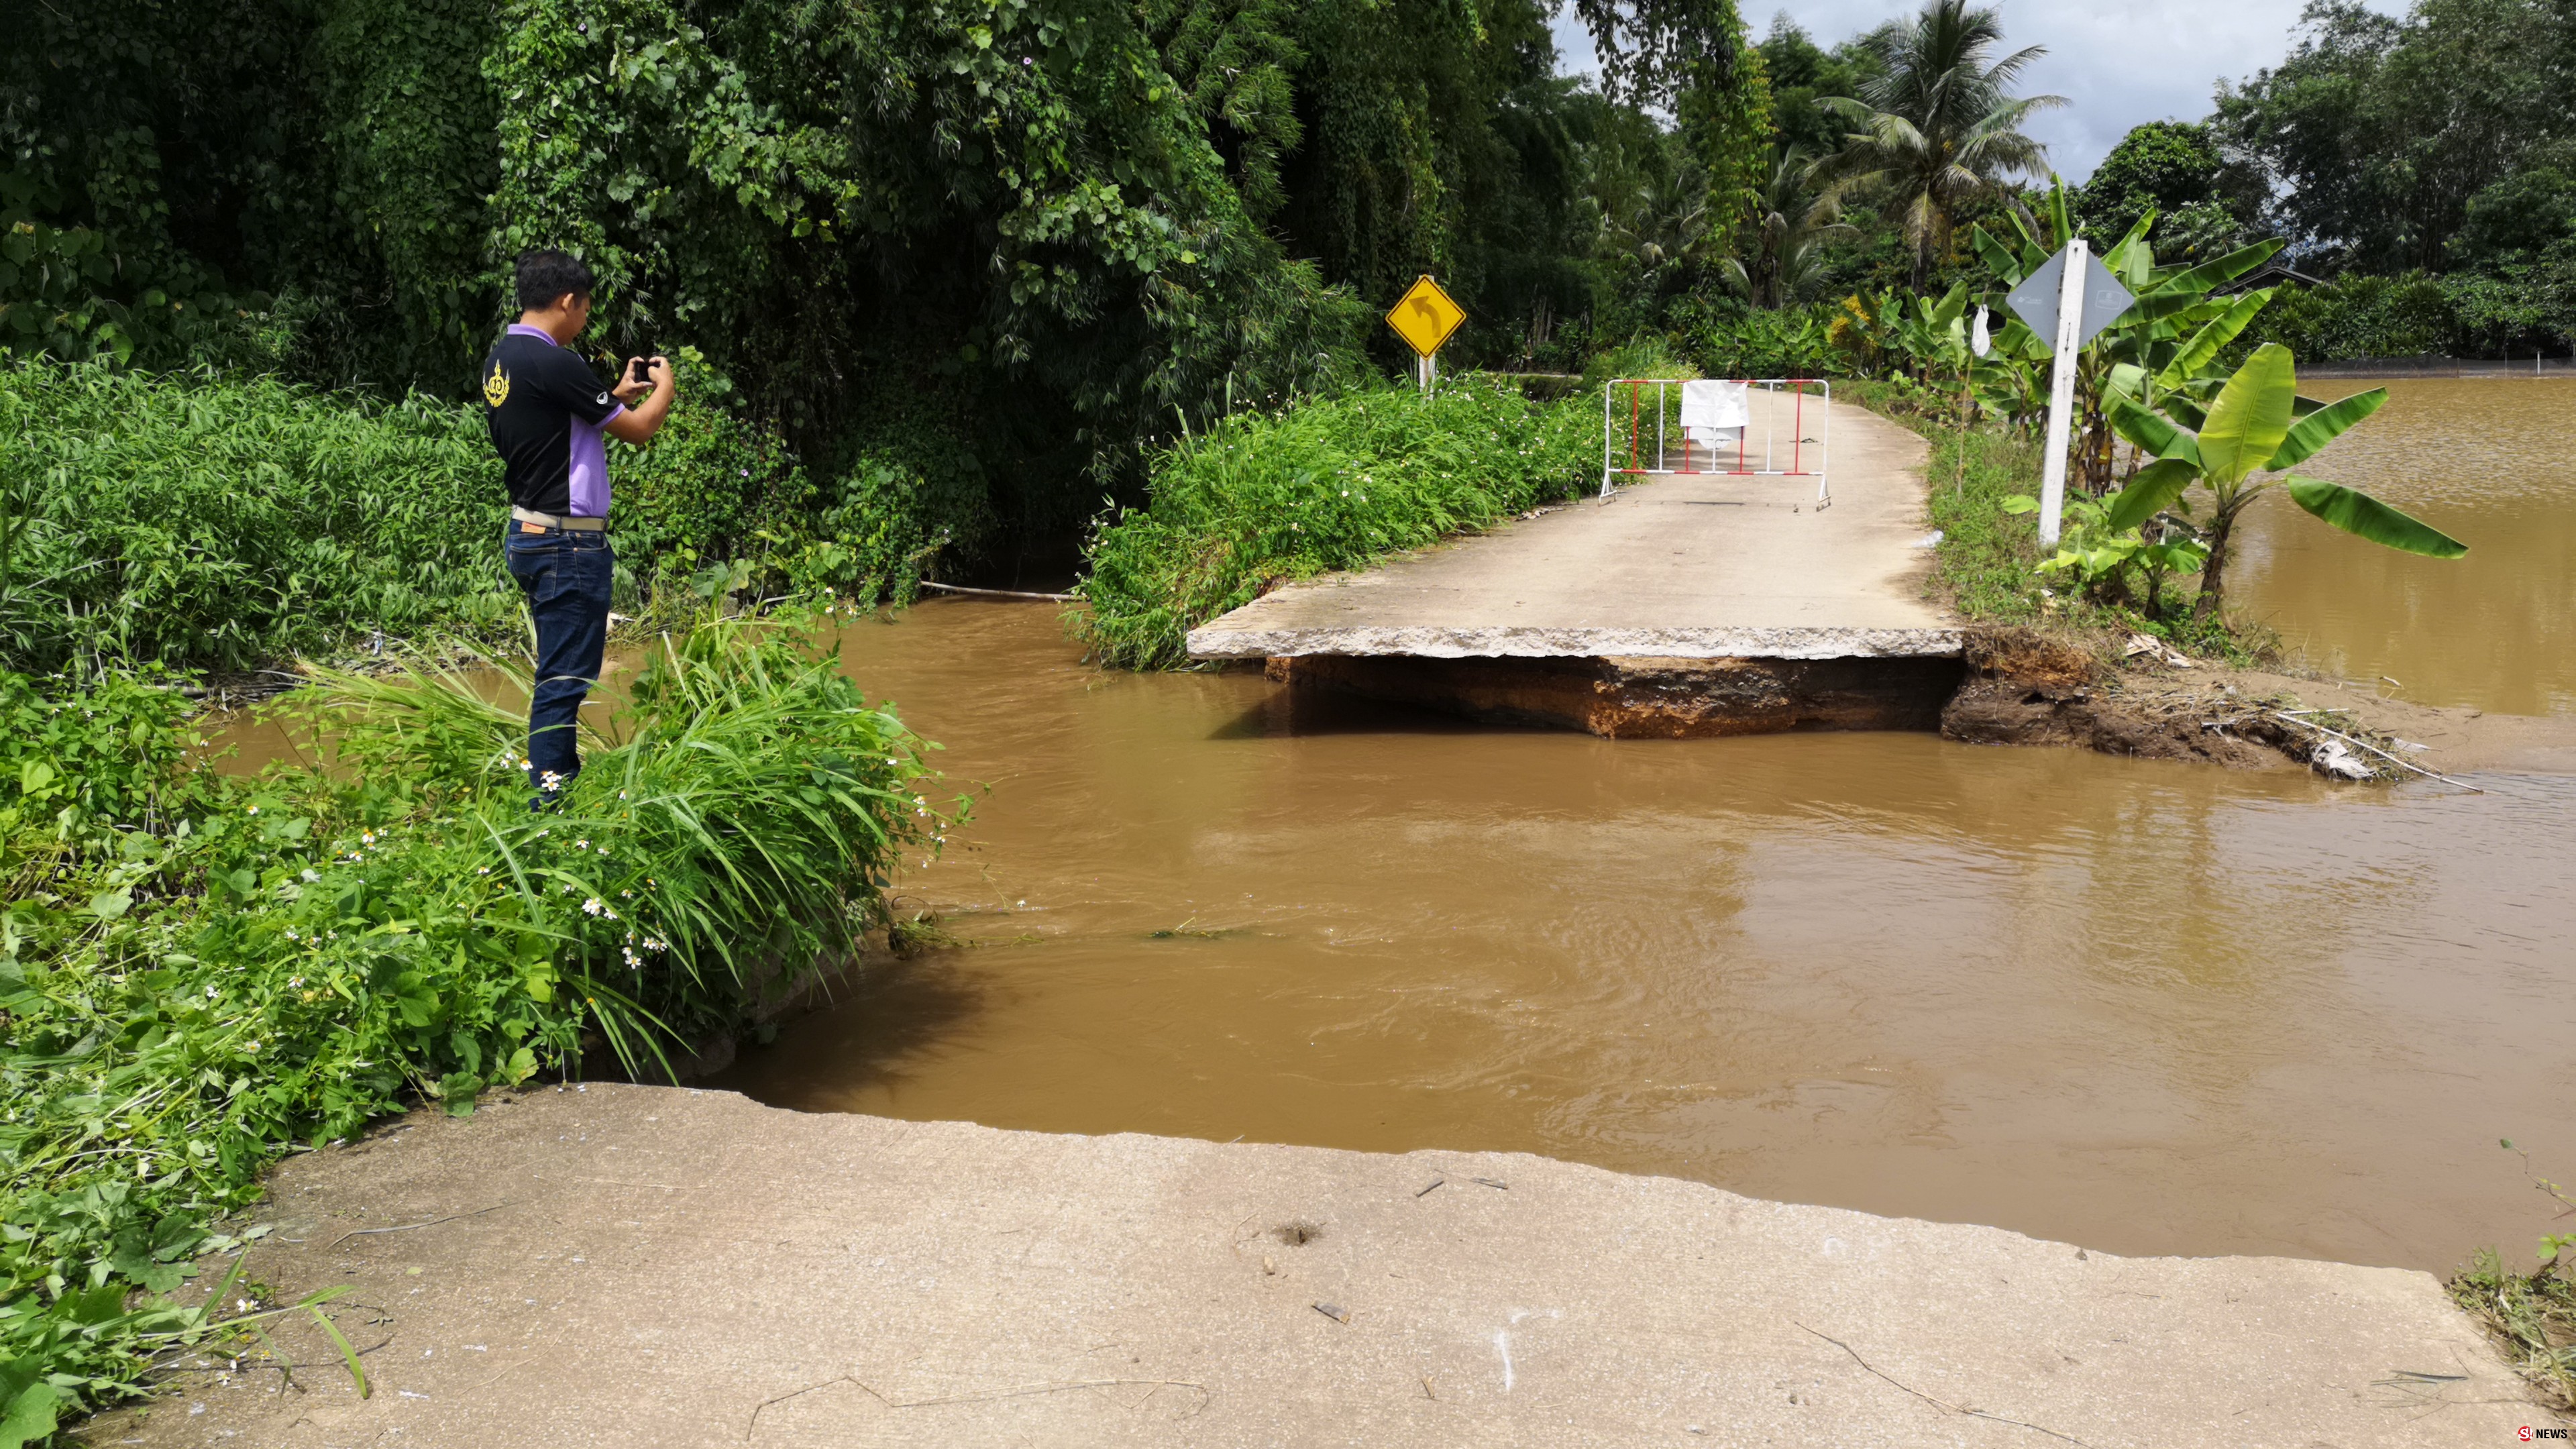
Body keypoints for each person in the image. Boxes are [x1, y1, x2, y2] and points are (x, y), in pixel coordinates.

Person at [480, 249, 675, 808]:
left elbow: (552, 425)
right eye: (586, 308)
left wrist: (612, 396)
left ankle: (557, 794)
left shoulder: (504, 359)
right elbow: (637, 432)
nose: (586, 318)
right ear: (569, 301)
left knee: (556, 675)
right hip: (567, 541)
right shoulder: (556, 362)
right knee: (563, 683)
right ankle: (551, 810)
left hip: (531, 531)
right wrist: (665, 389)